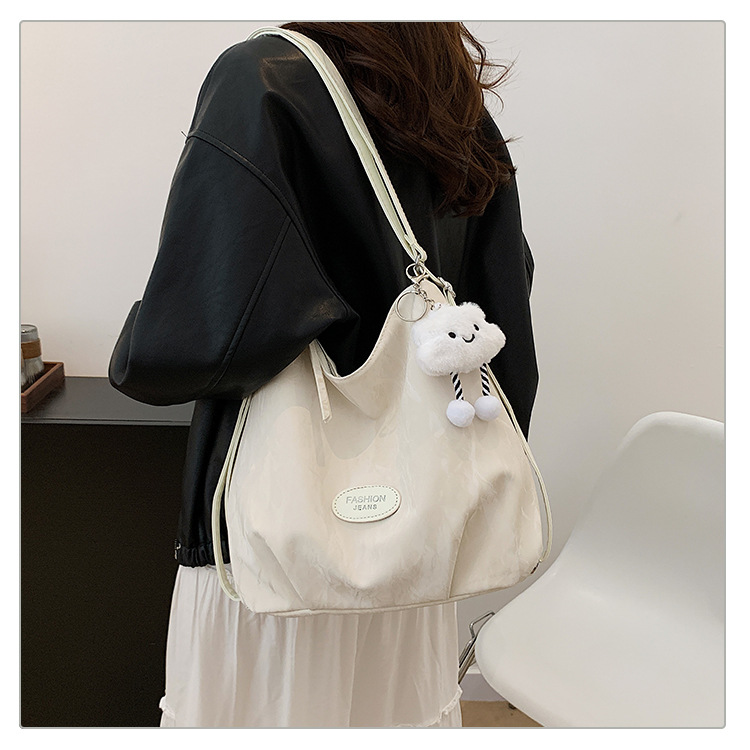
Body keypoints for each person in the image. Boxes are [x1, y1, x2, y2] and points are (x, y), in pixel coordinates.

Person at [109, 21, 539, 728]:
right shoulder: (450, 101)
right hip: (416, 545)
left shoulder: (261, 79)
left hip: (273, 539)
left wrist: (136, 346)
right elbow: (504, 311)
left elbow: (204, 332)